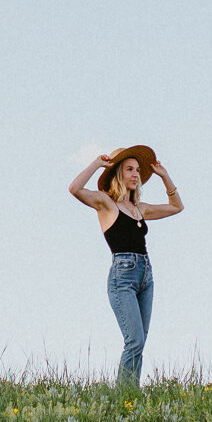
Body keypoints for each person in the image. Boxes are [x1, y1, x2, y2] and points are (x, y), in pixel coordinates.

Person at [69, 146, 183, 384]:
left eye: (138, 170)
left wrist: (164, 176)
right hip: (123, 277)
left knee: (140, 341)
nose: (135, 175)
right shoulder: (106, 204)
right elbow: (75, 189)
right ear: (118, 173)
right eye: (129, 169)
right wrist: (97, 164)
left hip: (146, 276)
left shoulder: (140, 209)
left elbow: (176, 207)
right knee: (134, 340)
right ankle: (124, 397)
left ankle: (132, 395)